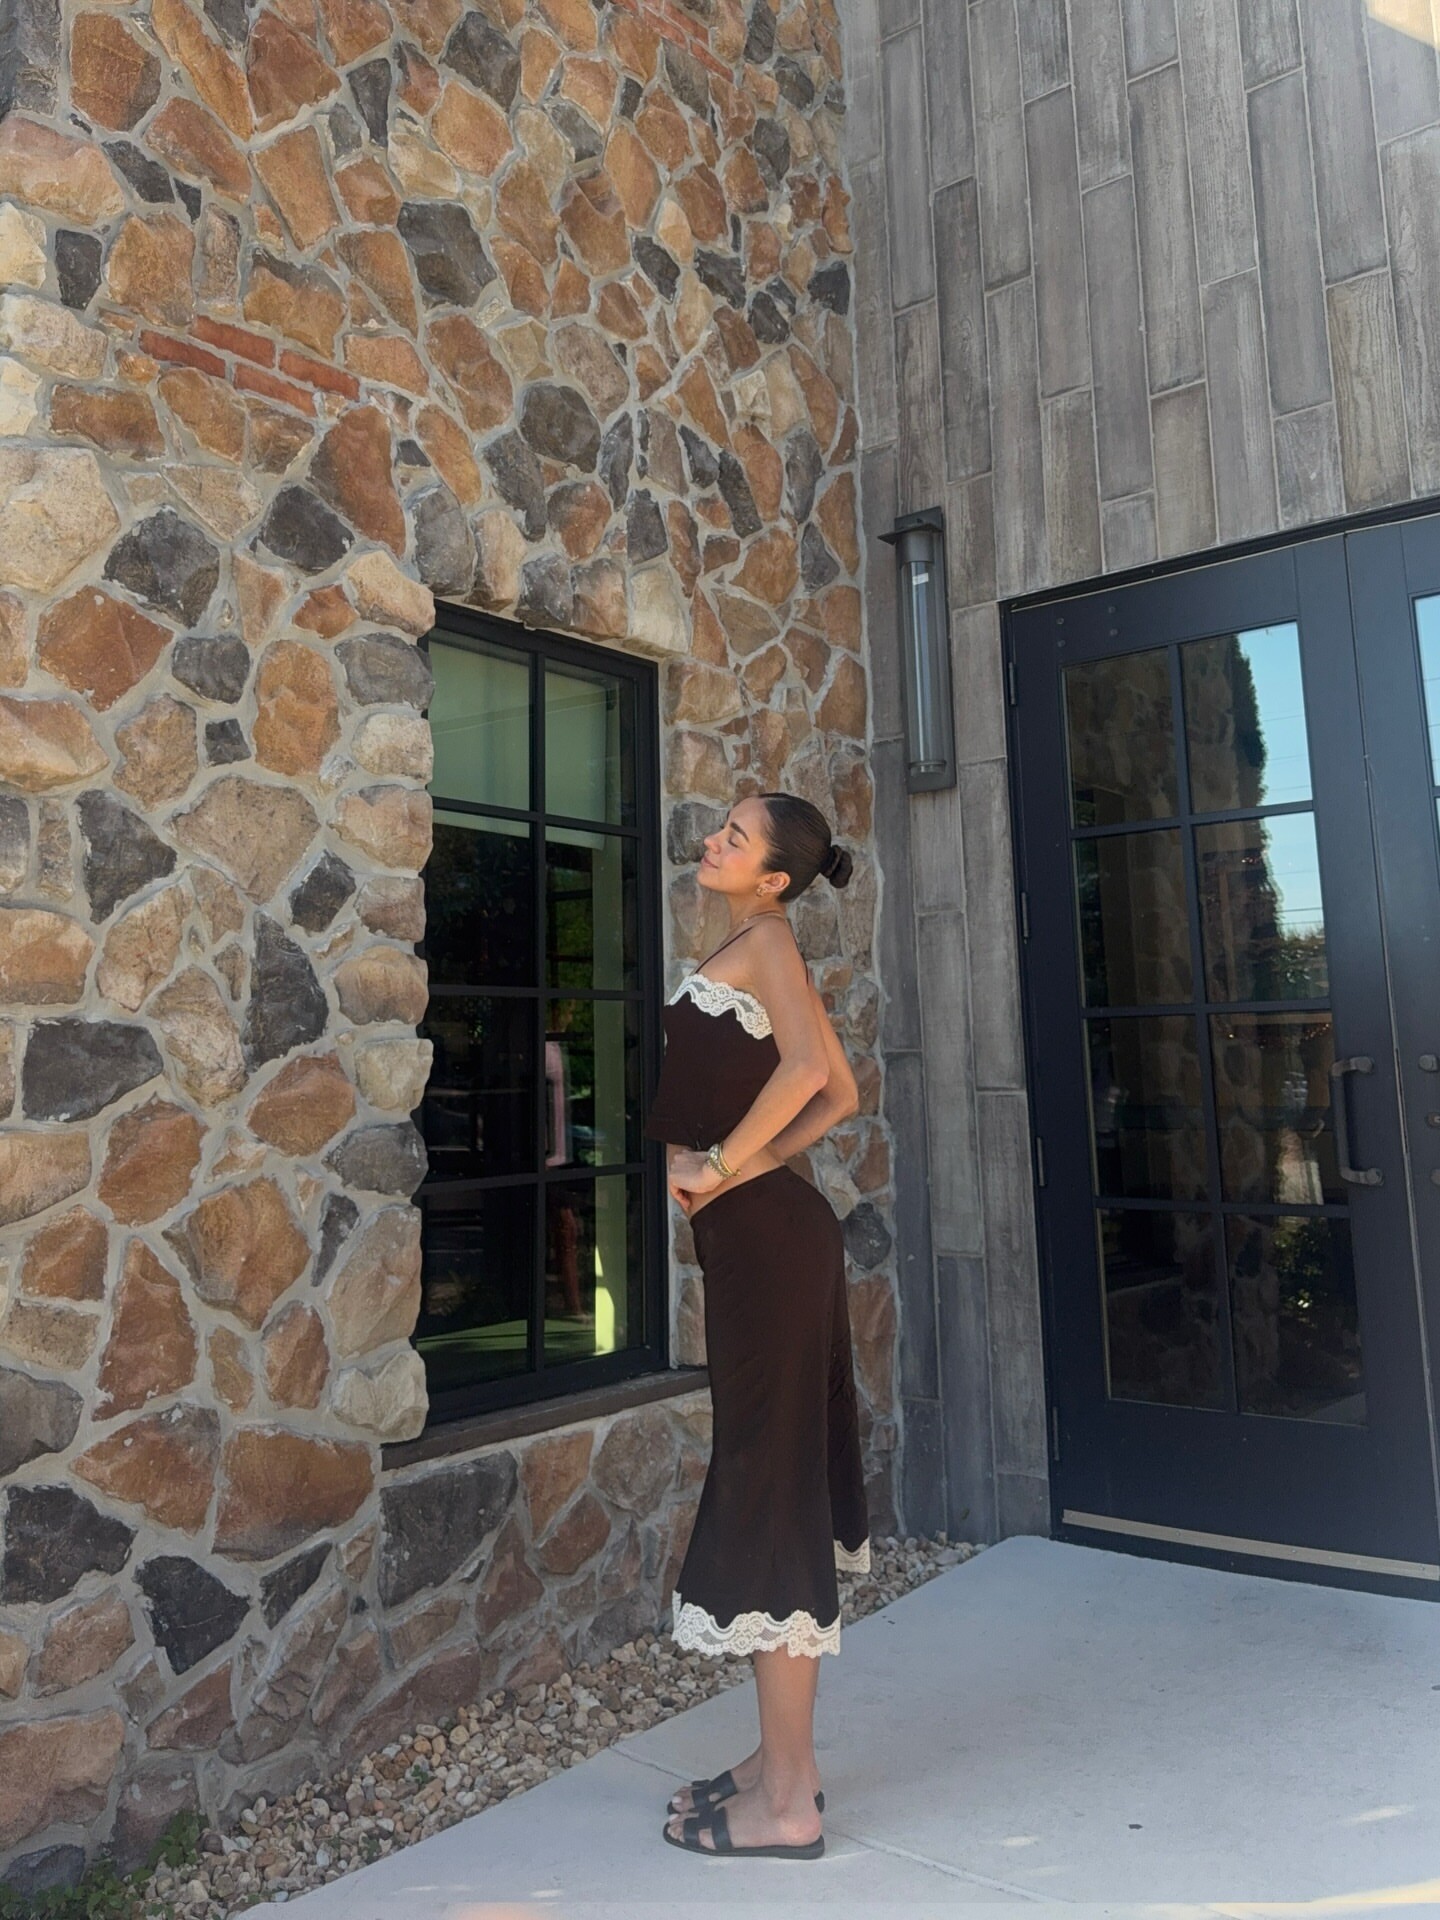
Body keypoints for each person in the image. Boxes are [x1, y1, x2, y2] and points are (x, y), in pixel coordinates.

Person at [646, 790, 870, 1862]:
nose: (714, 840)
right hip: (766, 1243)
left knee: (770, 1491)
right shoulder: (752, 943)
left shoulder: (770, 940)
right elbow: (843, 1094)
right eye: (722, 829)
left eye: (735, 838)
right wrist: (739, 1170)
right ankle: (781, 1764)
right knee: (770, 1482)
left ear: (774, 878)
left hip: (770, 1250)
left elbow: (814, 1078)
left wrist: (725, 1165)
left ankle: (786, 1805)